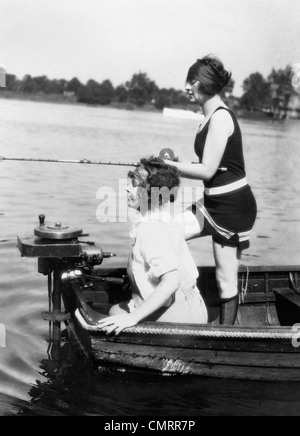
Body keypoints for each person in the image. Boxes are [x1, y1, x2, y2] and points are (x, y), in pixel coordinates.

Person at [163, 55, 257, 325]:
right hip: (211, 204)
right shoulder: (206, 118)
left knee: (225, 281)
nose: (186, 87)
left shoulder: (219, 119)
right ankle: (176, 296)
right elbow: (213, 165)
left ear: (202, 83)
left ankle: (225, 340)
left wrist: (170, 166)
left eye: (190, 81)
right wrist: (178, 164)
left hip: (233, 209)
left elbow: (207, 171)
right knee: (167, 230)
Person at [97, 157, 208, 336]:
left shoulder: (150, 228)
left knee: (115, 312)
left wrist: (132, 318)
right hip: (194, 306)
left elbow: (171, 280)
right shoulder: (163, 218)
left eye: (133, 184)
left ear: (150, 193)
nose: (126, 188)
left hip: (182, 319)